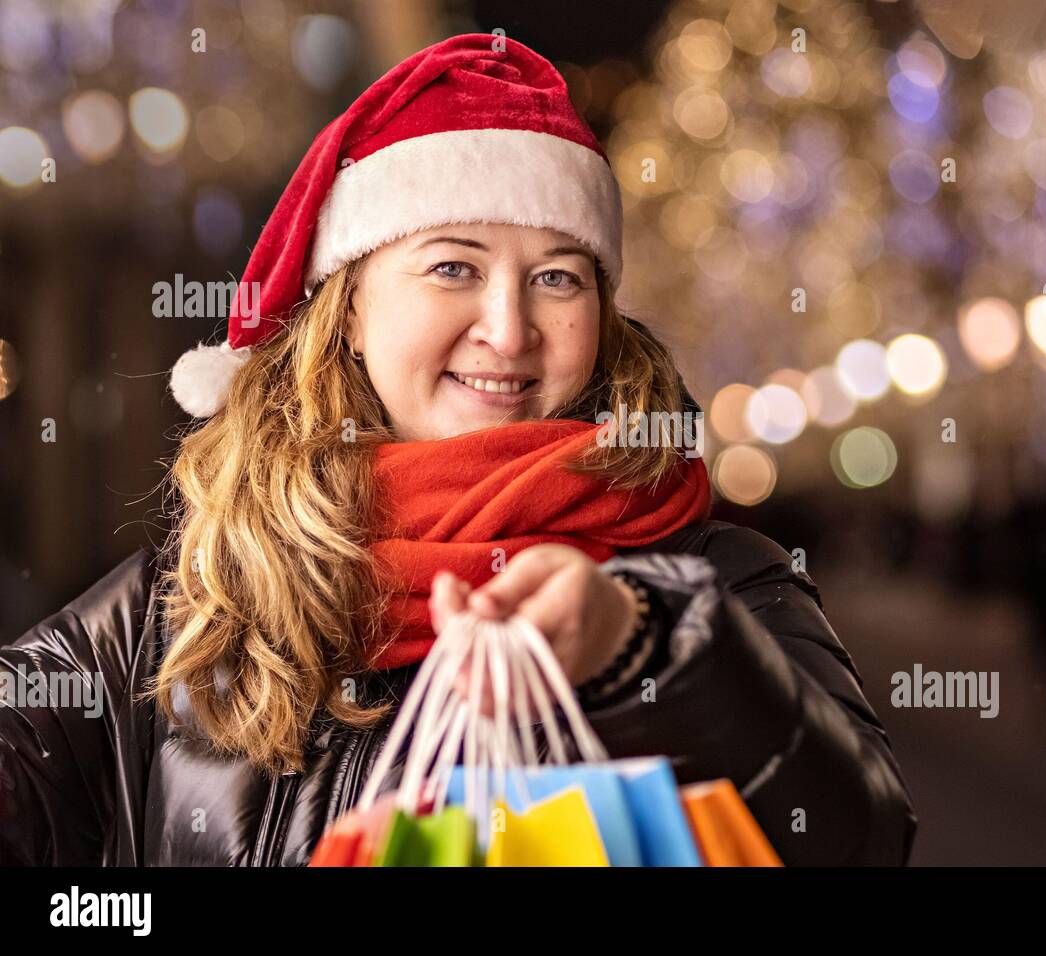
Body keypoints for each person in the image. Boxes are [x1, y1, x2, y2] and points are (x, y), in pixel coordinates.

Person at [0, 34, 915, 867]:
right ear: (349, 308)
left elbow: (859, 838)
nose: (510, 331)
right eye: (453, 267)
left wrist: (643, 651)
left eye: (557, 276)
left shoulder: (716, 587)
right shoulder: (188, 602)